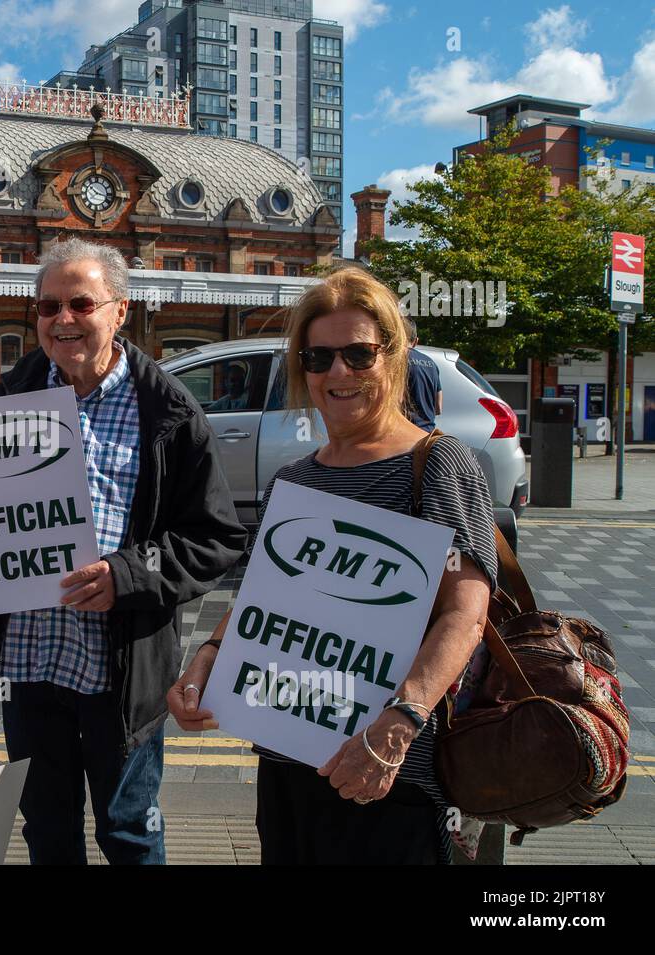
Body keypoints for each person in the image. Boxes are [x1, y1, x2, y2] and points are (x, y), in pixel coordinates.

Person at [167, 267, 497, 865]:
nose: (338, 372)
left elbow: (466, 614)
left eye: (358, 354)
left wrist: (398, 725)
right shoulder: (295, 479)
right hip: (287, 763)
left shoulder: (439, 464)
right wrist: (210, 659)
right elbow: (261, 603)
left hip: (389, 775)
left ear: (393, 357)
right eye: (318, 357)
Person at [0, 238, 247, 865]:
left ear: (120, 311)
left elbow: (216, 538)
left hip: (119, 668)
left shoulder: (169, 410)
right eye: (47, 307)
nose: (62, 320)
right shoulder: (7, 399)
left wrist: (129, 574)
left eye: (80, 303)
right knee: (47, 832)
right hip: (29, 665)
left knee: (129, 833)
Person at [404, 316, 443, 431]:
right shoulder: (432, 363)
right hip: (428, 435)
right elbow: (439, 408)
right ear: (416, 341)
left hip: (404, 435)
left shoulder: (395, 361)